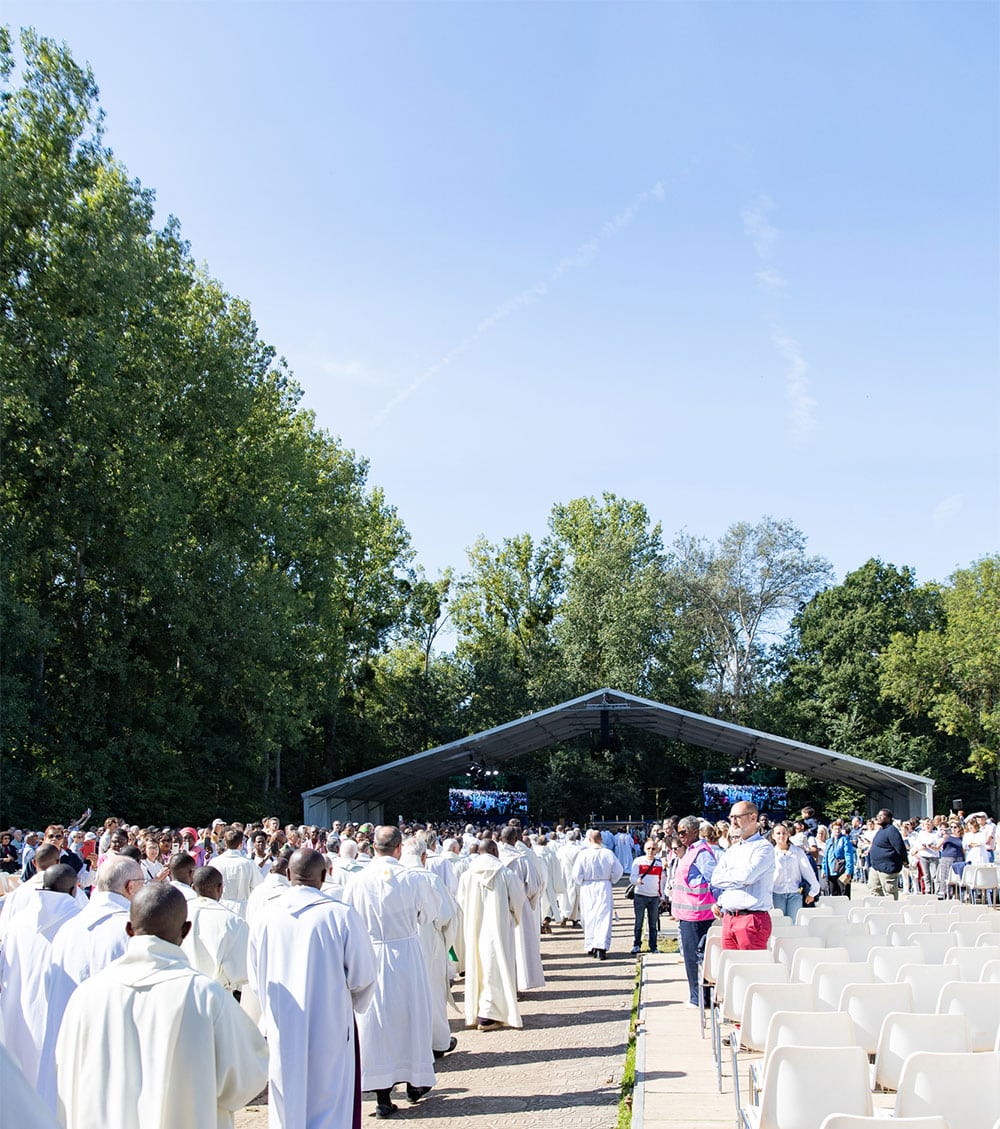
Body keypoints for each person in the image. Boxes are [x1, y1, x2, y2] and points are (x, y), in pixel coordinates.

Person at [56, 882, 267, 1129]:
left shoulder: (86, 995)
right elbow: (245, 1079)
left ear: (129, 929)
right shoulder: (204, 996)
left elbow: (66, 1075)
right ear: (186, 930)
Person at [249, 847, 376, 1129]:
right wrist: (348, 1002)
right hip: (329, 1019)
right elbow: (363, 975)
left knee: (287, 1094)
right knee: (330, 1094)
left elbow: (256, 975)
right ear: (323, 875)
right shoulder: (340, 915)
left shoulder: (264, 917)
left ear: (289, 874)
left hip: (283, 1019)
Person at [345, 825, 437, 1118]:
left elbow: (348, 920)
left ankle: (383, 1095)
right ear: (399, 848)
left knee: (375, 1021)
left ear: (373, 847)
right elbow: (428, 914)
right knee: (411, 1016)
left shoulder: (357, 881)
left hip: (370, 954)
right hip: (406, 954)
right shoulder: (413, 878)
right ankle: (414, 1082)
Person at [0, 864, 81, 1090]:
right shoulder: (79, 923)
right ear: (74, 890)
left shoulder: (18, 921)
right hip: (58, 1016)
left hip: (19, 1015)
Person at [456, 837, 524, 1032]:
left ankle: (481, 1010)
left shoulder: (467, 875)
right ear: (495, 851)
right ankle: (490, 1014)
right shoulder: (505, 874)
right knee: (496, 965)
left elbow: (461, 901)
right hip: (499, 927)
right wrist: (513, 918)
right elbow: (517, 901)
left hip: (474, 928)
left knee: (480, 967)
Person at [710, 801, 774, 950]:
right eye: (731, 817)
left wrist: (736, 878)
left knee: (750, 968)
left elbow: (747, 877)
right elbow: (715, 879)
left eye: (737, 817)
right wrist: (739, 879)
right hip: (729, 918)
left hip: (751, 918)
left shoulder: (763, 847)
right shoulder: (733, 849)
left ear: (753, 818)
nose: (733, 822)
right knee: (731, 968)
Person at [670, 816, 717, 1007]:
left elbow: (714, 879)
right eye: (678, 832)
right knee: (690, 957)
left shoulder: (702, 853)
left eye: (683, 832)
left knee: (696, 958)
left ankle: (700, 998)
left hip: (698, 914)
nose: (679, 836)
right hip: (688, 914)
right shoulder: (691, 850)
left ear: (694, 831)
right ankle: (696, 996)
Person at [183, 866, 250, 993]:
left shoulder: (179, 913)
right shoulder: (233, 921)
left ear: (193, 887)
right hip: (216, 995)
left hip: (181, 993)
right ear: (220, 888)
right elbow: (244, 970)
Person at [571, 828, 624, 960]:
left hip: (588, 887)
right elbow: (618, 870)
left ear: (589, 840)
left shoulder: (583, 854)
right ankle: (600, 946)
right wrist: (611, 879)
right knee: (603, 916)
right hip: (603, 886)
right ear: (601, 839)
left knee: (589, 916)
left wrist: (582, 881)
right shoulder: (608, 853)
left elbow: (576, 874)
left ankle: (592, 945)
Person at [770, 821, 819, 919]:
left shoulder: (797, 852)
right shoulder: (770, 853)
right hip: (776, 894)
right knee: (779, 923)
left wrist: (814, 891)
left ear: (788, 834)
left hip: (794, 893)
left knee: (793, 923)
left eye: (784, 833)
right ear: (773, 836)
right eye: (778, 833)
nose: (781, 836)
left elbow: (808, 872)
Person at [212, 825, 262, 918]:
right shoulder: (248, 863)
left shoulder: (215, 862)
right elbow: (258, 886)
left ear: (225, 843)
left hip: (220, 906)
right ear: (241, 844)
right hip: (243, 909)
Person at [629, 838, 665, 955]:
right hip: (640, 895)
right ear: (644, 849)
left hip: (654, 897)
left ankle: (653, 946)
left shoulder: (659, 863)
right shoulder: (638, 861)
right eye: (648, 848)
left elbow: (662, 880)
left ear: (657, 850)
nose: (650, 851)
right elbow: (632, 878)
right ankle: (636, 944)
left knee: (653, 923)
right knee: (638, 922)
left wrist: (662, 896)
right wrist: (637, 880)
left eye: (653, 849)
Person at [866, 809, 908, 899]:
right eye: (878, 815)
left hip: (888, 868)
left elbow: (900, 847)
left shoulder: (892, 830)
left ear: (888, 818)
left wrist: (905, 860)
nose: (879, 817)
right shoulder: (881, 830)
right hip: (876, 867)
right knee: (874, 889)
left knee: (890, 892)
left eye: (882, 816)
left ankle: (891, 911)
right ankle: (879, 909)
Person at [821, 819, 856, 897]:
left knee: (844, 894)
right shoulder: (829, 841)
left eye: (839, 828)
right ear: (831, 830)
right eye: (835, 829)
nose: (837, 830)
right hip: (830, 871)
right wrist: (824, 869)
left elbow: (849, 855)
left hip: (842, 871)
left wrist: (849, 870)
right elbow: (825, 856)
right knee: (834, 894)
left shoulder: (845, 840)